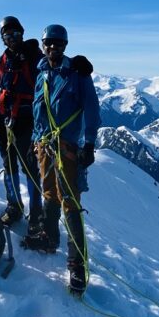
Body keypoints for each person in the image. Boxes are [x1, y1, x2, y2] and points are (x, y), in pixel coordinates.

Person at [21, 24, 101, 295]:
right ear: (44, 46)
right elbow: (37, 110)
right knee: (48, 193)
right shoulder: (43, 72)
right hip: (44, 145)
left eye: (58, 43)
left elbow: (92, 109)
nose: (53, 47)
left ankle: (77, 264)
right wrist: (35, 140)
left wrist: (89, 143)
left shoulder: (77, 74)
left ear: (65, 46)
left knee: (70, 201)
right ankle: (49, 238)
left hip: (67, 147)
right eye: (49, 43)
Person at [0, 16, 45, 231]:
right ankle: (14, 206)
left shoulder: (35, 59)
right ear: (2, 39)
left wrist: (75, 66)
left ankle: (36, 215)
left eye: (15, 34)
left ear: (22, 34)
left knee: (30, 168)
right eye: (7, 35)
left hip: (28, 122)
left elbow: (55, 70)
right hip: (3, 124)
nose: (12, 38)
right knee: (9, 166)